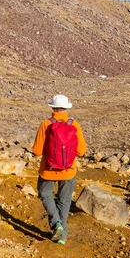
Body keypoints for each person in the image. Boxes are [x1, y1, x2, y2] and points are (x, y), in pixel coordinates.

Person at [32, 94, 87, 245]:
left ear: (53, 107)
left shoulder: (46, 124)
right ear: (67, 108)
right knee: (64, 200)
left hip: (48, 170)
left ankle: (56, 224)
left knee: (45, 194)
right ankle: (61, 238)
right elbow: (81, 151)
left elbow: (37, 151)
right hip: (68, 170)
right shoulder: (74, 124)